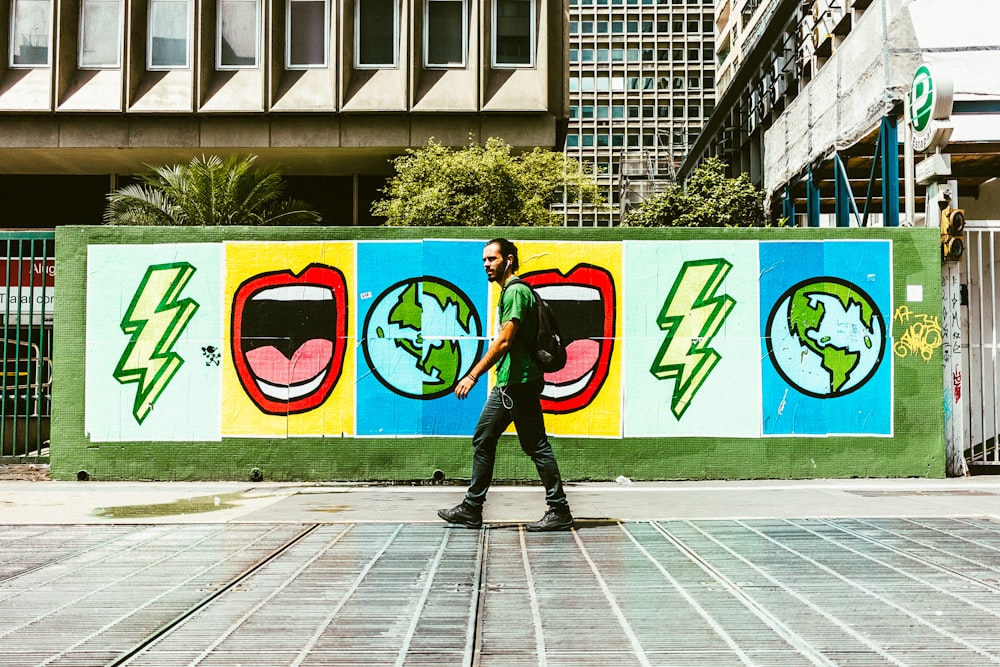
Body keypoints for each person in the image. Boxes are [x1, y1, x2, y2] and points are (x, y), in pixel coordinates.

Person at [437, 238, 574, 532]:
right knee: (491, 439)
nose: (486, 265)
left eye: (492, 259)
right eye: (485, 260)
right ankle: (473, 508)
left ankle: (558, 509)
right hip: (515, 381)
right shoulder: (514, 292)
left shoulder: (515, 292)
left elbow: (504, 341)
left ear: (508, 260)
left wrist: (473, 374)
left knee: (529, 444)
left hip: (516, 383)